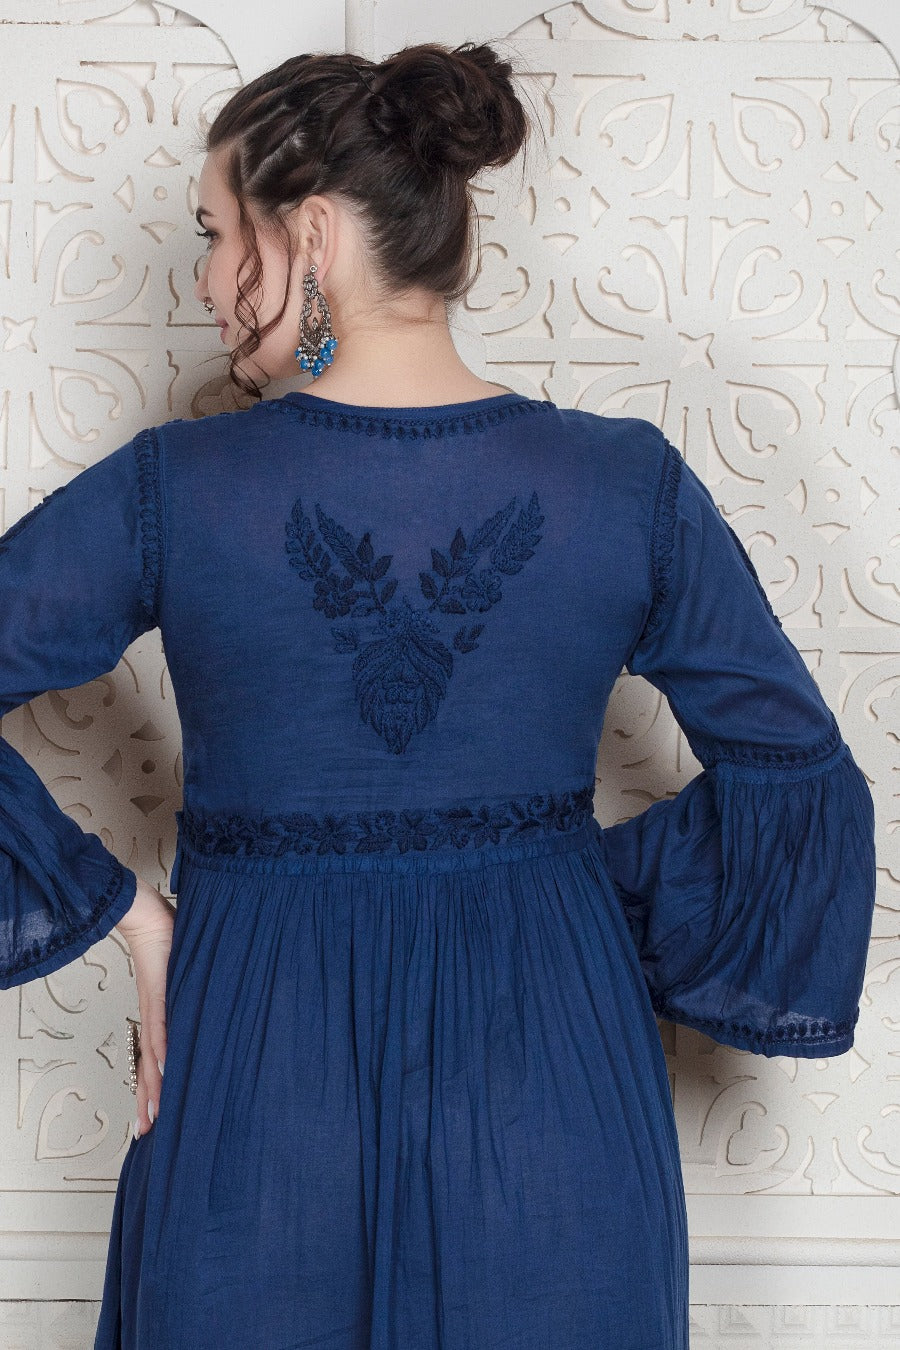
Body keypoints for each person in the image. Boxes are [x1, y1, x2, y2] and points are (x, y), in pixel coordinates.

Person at [0, 40, 877, 1350]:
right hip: (555, 1099)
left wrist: (128, 913)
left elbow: (801, 796)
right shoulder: (623, 485)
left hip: (256, 1083)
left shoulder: (175, 491)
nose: (203, 279)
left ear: (308, 233)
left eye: (215, 233)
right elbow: (802, 788)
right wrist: (562, 897)